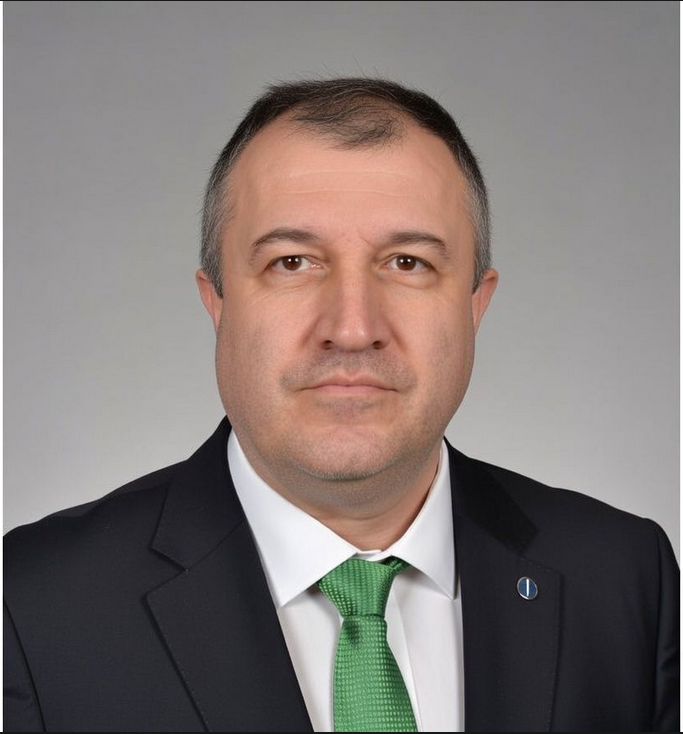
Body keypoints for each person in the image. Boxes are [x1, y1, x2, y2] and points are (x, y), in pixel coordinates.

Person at [4, 77, 679, 733]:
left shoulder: (625, 576)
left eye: (407, 263)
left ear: (475, 306)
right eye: (292, 262)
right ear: (217, 303)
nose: (353, 329)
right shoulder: (30, 606)